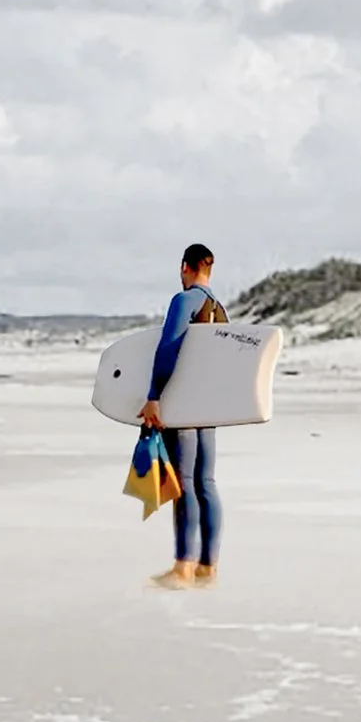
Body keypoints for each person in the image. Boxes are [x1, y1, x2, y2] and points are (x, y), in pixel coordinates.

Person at [139, 244, 227, 590]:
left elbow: (168, 347)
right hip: (209, 408)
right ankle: (208, 566)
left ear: (184, 267)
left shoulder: (185, 301)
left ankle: (183, 567)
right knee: (207, 484)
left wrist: (153, 397)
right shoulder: (219, 310)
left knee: (185, 483)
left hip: (184, 405)